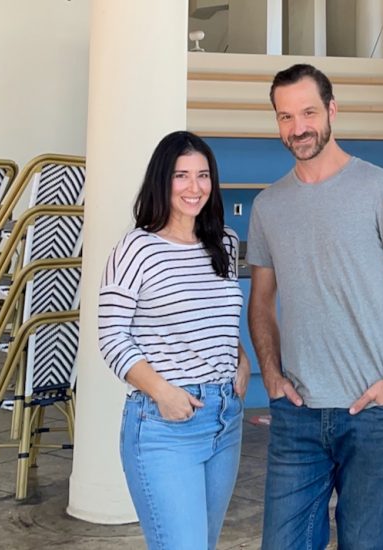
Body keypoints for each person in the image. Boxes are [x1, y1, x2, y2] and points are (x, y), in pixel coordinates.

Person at [247, 64, 383, 550]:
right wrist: (271, 374)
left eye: (308, 112)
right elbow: (261, 302)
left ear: (332, 110)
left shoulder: (379, 187)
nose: (298, 127)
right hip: (297, 414)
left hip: (372, 411)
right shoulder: (268, 206)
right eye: (285, 116)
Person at [98, 131, 249, 550]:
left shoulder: (225, 243)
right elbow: (111, 336)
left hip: (226, 417)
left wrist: (242, 359)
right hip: (165, 424)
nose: (194, 187)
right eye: (181, 175)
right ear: (162, 180)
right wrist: (163, 392)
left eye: (203, 175)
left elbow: (218, 319)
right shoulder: (136, 249)